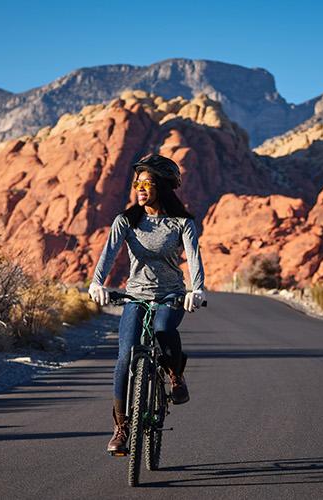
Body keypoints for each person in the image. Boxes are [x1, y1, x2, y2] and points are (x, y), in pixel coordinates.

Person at [88, 153, 206, 456]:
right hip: (136, 295)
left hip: (170, 295)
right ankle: (122, 427)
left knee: (164, 329)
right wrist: (96, 283)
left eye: (147, 183)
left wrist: (197, 290)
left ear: (163, 187)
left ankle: (175, 375)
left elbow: (194, 259)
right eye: (137, 182)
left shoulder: (181, 223)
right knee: (125, 356)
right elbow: (108, 254)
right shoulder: (126, 220)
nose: (140, 188)